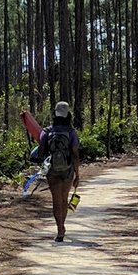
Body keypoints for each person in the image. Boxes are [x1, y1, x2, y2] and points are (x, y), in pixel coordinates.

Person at [28, 101, 82, 241]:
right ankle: (62, 227)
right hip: (67, 170)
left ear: (55, 114)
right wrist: (77, 175)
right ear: (68, 115)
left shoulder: (47, 131)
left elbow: (40, 152)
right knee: (64, 200)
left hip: (52, 170)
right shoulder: (71, 132)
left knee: (56, 200)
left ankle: (59, 229)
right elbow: (75, 154)